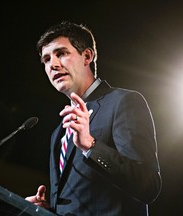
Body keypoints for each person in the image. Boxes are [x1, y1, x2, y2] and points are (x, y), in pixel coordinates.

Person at [25, 21, 162, 216]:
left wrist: (90, 145)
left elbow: (148, 186)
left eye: (61, 54)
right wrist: (48, 210)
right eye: (46, 60)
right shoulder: (59, 133)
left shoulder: (123, 102)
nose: (53, 65)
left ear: (87, 56)